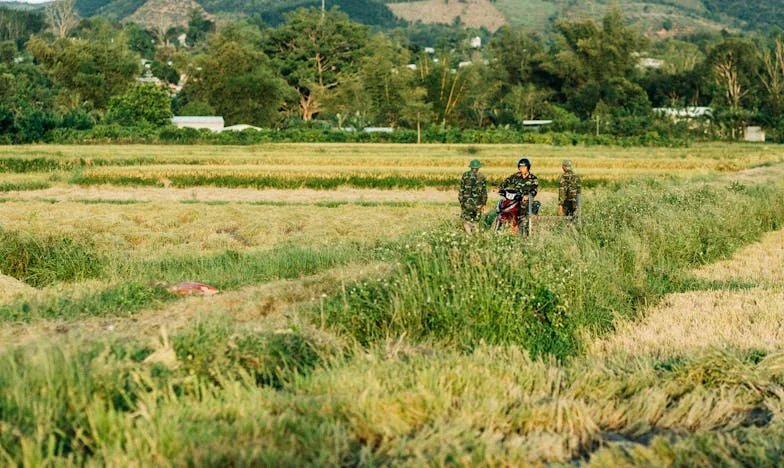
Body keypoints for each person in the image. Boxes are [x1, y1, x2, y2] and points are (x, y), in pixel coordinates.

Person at [499, 157, 539, 234]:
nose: (521, 169)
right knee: (505, 205)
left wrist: (527, 196)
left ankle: (522, 227)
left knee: (523, 212)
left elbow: (534, 190)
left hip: (526, 200)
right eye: (520, 167)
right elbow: (507, 181)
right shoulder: (516, 176)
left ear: (528, 167)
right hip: (516, 198)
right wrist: (500, 188)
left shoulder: (533, 178)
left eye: (524, 167)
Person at [458, 159, 487, 234]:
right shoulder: (482, 177)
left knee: (466, 220)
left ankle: (469, 235)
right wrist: (484, 203)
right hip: (478, 203)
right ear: (478, 167)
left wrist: (461, 202)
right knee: (476, 221)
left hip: (466, 203)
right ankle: (476, 236)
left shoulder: (465, 175)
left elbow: (461, 190)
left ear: (471, 167)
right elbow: (484, 192)